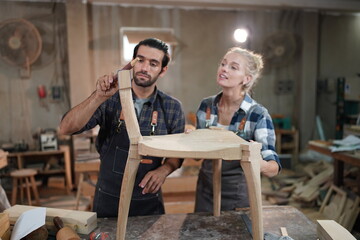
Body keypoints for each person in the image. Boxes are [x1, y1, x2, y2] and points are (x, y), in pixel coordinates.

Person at [59, 38, 185, 217]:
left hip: (148, 201)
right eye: (140, 60)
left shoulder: (172, 107)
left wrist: (164, 170)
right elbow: (66, 128)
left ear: (163, 70)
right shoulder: (110, 99)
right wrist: (98, 97)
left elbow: (178, 154)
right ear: (132, 63)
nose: (144, 68)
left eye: (153, 63)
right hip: (108, 200)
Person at [194, 47, 281, 213]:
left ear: (246, 78)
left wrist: (258, 161)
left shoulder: (257, 114)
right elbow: (198, 156)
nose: (224, 69)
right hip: (205, 188)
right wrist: (192, 138)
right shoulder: (206, 106)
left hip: (236, 191)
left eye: (233, 67)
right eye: (223, 64)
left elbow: (273, 167)